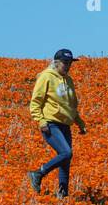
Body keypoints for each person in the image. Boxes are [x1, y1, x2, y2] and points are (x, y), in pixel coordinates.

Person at [28, 49, 86, 196]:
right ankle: (39, 173)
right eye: (65, 63)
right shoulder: (46, 77)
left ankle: (63, 196)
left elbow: (71, 106)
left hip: (65, 124)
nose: (68, 66)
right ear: (56, 62)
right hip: (50, 123)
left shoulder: (69, 80)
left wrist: (79, 122)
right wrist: (41, 121)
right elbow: (35, 102)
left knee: (66, 162)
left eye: (70, 63)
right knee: (66, 153)